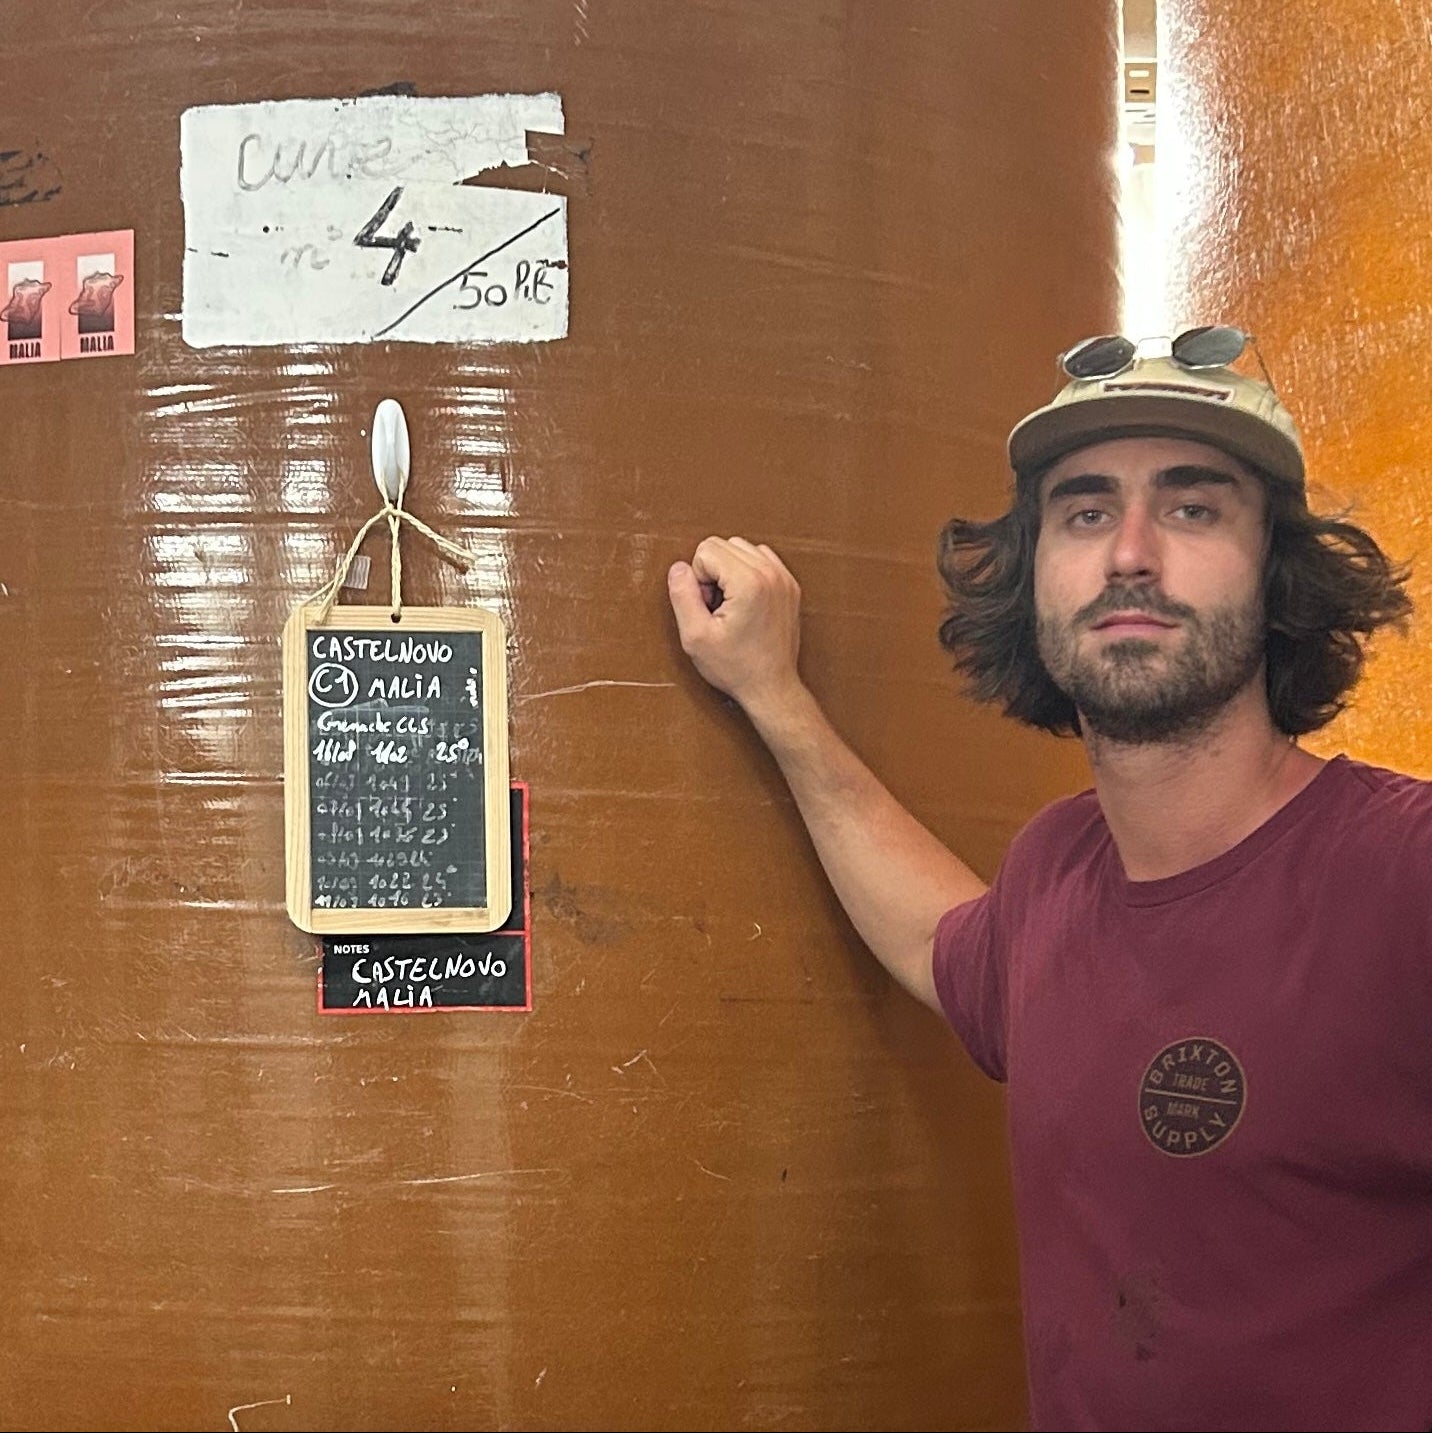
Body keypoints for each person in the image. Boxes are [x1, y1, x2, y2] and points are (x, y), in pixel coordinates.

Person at [665, 327, 1430, 1433]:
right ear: (1034, 580)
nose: (1128, 552)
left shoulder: (1398, 876)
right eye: (1082, 511)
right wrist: (772, 696)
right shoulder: (1056, 871)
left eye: (1191, 506)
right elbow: (939, 940)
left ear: (1277, 576)